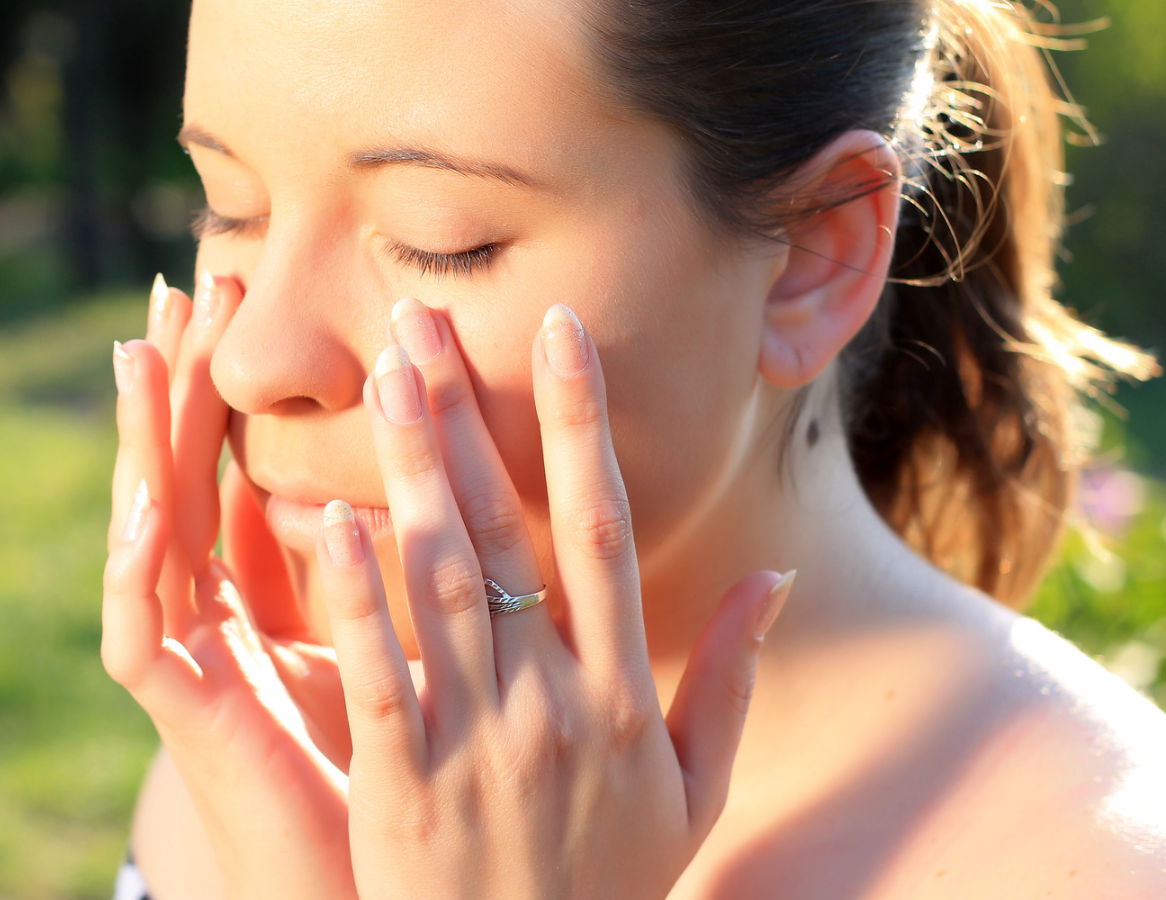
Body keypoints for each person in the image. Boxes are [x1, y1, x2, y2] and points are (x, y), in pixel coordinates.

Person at [102, 0, 1166, 897]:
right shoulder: (258, 762)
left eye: (441, 238)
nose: (250, 360)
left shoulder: (1094, 861)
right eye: (228, 207)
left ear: (810, 259)